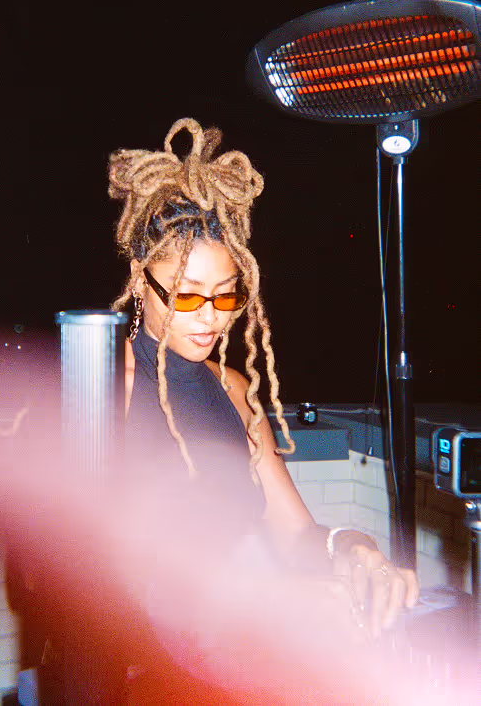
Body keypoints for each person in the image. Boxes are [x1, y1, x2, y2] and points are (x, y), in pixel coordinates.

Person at [108, 117, 418, 647]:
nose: (211, 317)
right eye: (187, 295)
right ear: (141, 279)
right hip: (138, 665)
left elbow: (296, 533)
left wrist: (353, 549)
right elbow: (107, 565)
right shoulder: (105, 386)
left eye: (227, 294)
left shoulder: (232, 390)